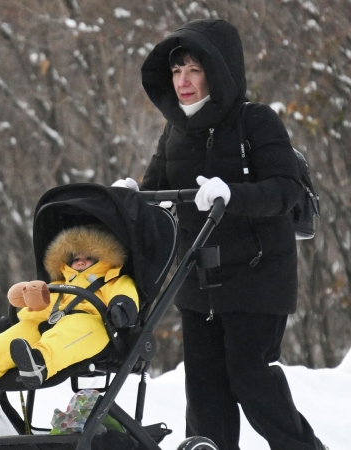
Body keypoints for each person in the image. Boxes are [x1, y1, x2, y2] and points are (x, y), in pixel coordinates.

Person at [113, 19, 327, 450]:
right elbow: (156, 192)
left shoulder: (258, 122)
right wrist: (133, 196)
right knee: (206, 395)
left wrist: (234, 195)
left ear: (219, 70)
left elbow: (285, 190)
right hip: (197, 282)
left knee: (251, 381)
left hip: (257, 276)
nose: (183, 81)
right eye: (176, 71)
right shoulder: (175, 132)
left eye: (194, 69)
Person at [0, 224, 139, 389]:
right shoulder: (57, 285)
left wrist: (121, 308)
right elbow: (20, 320)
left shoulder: (112, 279)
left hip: (93, 323)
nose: (81, 261)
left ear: (104, 256)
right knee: (24, 329)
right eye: (76, 258)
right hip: (50, 319)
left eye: (89, 257)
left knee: (70, 331)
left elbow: (125, 294)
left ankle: (39, 362)